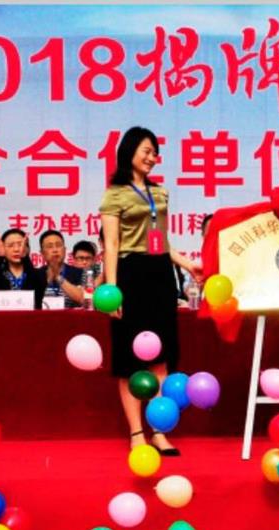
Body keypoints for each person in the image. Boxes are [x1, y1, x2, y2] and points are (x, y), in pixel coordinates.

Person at [99, 126, 203, 455]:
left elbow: (161, 241)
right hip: (129, 273)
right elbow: (112, 244)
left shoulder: (160, 193)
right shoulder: (115, 194)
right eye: (146, 150)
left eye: (155, 152)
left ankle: (158, 429)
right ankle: (136, 433)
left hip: (160, 274)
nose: (152, 157)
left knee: (161, 357)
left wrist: (187, 264)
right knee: (129, 357)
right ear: (129, 151)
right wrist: (111, 288)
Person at [0, 229, 46, 309]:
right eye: (10, 245)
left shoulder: (37, 274)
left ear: (27, 248)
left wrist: (25, 258)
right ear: (3, 248)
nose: (16, 249)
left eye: (20, 245)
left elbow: (37, 294)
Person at [38, 230, 84, 307]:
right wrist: (48, 280)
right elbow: (31, 302)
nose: (55, 250)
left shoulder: (79, 273)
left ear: (65, 250)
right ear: (42, 253)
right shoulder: (35, 275)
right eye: (50, 246)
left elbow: (83, 299)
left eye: (58, 245)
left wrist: (57, 277)